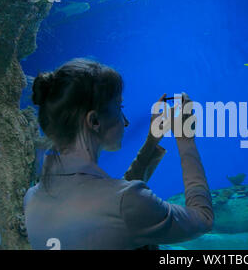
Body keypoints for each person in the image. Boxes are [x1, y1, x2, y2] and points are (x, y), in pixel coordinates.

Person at [23, 58, 213, 250]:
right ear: (95, 121)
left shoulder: (32, 199)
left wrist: (151, 142)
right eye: (119, 107)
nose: (126, 121)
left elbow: (112, 206)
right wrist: (185, 140)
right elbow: (203, 218)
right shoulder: (126, 203)